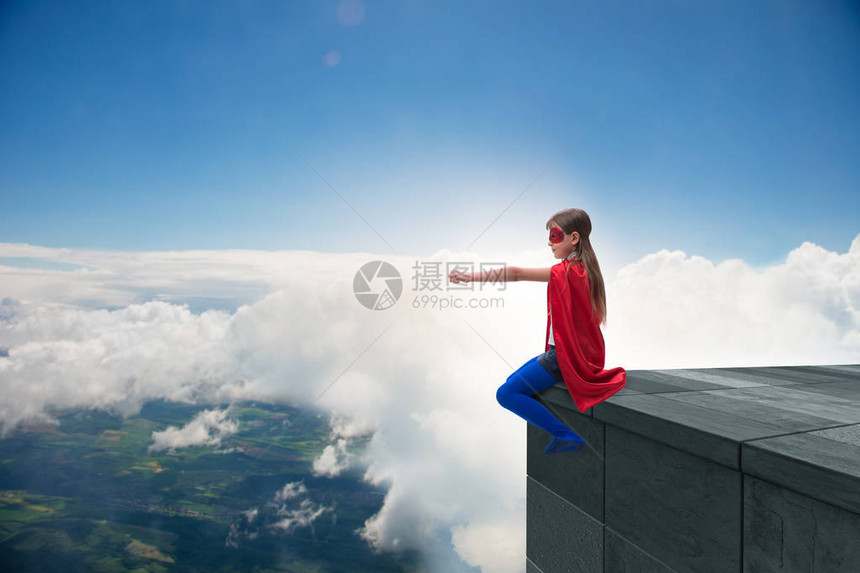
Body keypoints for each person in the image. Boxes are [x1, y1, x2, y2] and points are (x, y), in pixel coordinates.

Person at [448, 208, 627, 455]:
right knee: (513, 383)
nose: (549, 242)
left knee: (506, 394)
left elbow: (517, 273)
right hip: (570, 355)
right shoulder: (582, 269)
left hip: (561, 359)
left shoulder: (566, 272)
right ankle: (564, 431)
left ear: (573, 238)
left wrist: (469, 278)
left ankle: (566, 434)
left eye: (555, 235)